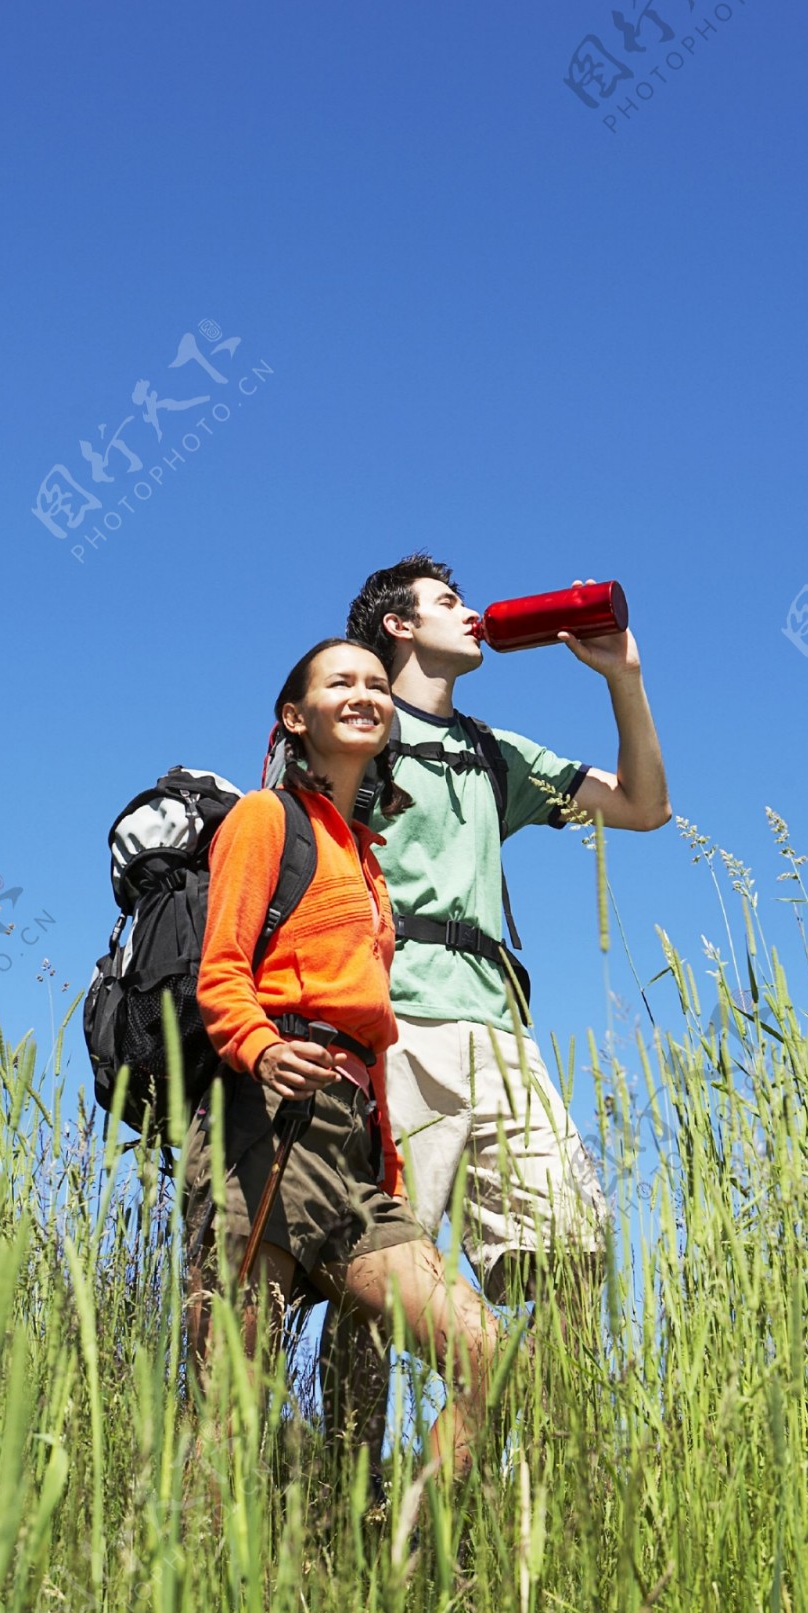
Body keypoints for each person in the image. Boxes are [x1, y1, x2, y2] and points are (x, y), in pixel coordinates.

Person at [320, 554, 671, 1447]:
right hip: (394, 1025)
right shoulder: (356, 724)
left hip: (503, 1034)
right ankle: (351, 1494)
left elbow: (642, 805)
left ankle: (487, 1491)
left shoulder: (491, 752)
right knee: (382, 1272)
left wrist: (622, 678)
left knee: (570, 1260)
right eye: (447, 602)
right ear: (398, 625)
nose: (471, 613)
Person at [181, 637, 500, 1487]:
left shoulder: (368, 860)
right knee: (233, 1405)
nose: (365, 693)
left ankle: (400, 1564)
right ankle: (190, 1603)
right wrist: (260, 1049)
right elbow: (222, 972)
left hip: (353, 1147)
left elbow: (371, 1034)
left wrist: (385, 1159)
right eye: (340, 682)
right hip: (267, 1125)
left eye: (374, 683)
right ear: (297, 716)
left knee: (483, 1353)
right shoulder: (265, 819)